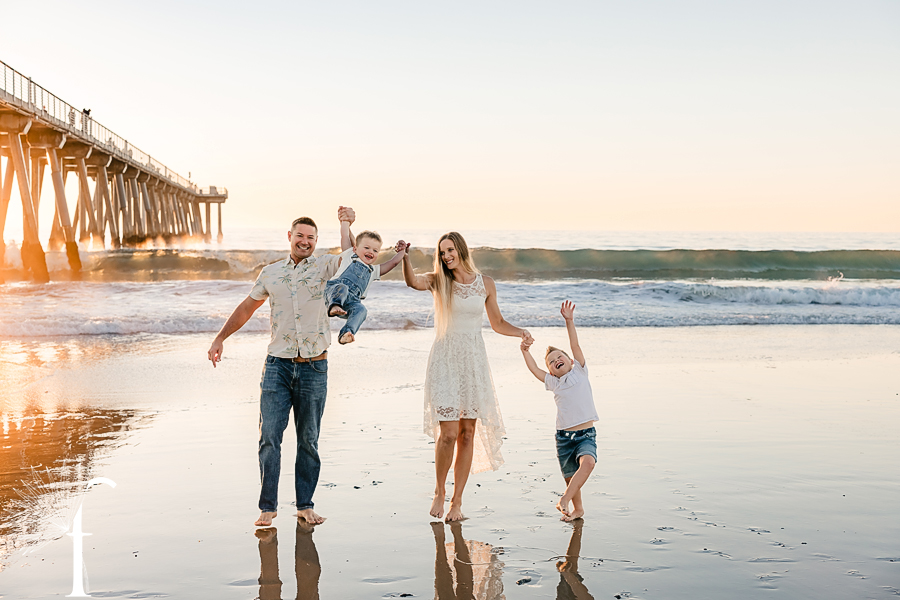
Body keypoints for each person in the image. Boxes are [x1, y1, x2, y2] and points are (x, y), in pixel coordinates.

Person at [207, 207, 356, 527]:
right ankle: (267, 507)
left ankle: (305, 505)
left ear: (316, 241)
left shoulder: (325, 266)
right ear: (289, 237)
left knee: (309, 439)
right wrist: (221, 337)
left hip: (314, 368)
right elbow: (247, 307)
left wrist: (345, 223)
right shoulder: (271, 273)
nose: (305, 241)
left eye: (311, 238)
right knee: (269, 437)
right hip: (277, 367)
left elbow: (349, 255)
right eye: (299, 236)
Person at [402, 232, 532, 522]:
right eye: (442, 252)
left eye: (450, 250)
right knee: (448, 433)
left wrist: (520, 332)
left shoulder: (485, 283)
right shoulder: (439, 280)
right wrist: (406, 258)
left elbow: (497, 323)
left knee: (467, 432)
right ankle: (439, 490)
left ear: (460, 249)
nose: (446, 256)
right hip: (446, 359)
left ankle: (457, 501)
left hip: (473, 361)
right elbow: (413, 282)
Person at [520, 300, 598, 521]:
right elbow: (534, 369)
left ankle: (563, 499)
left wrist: (569, 321)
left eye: (559, 357)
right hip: (563, 437)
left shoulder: (580, 371)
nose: (556, 361)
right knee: (570, 475)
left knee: (588, 463)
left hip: (586, 435)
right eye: (551, 362)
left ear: (571, 361)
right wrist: (525, 351)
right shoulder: (554, 382)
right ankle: (578, 509)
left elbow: (575, 345)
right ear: (551, 372)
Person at [325, 214, 407, 345]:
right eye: (367, 248)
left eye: (375, 250)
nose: (371, 251)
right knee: (343, 288)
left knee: (362, 310)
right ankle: (334, 305)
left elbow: (392, 263)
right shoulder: (350, 255)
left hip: (349, 304)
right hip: (333, 293)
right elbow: (345, 236)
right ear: (355, 248)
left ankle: (347, 333)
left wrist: (402, 252)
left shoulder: (373, 271)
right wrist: (345, 221)